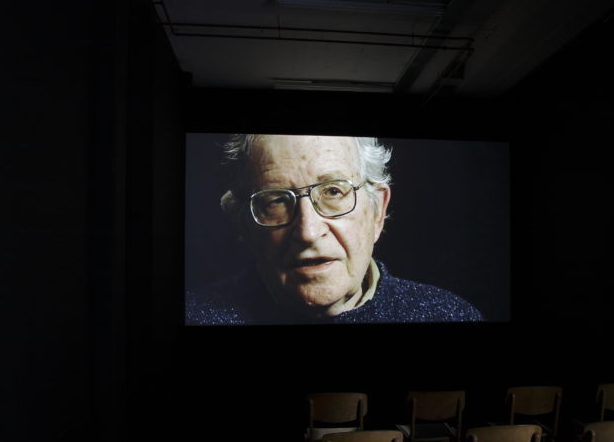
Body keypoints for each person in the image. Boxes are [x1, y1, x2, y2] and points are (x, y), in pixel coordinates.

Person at [185, 133, 483, 324]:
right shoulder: (194, 318)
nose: (308, 232)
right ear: (244, 223)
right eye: (276, 200)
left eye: (332, 192)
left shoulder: (450, 317)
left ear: (377, 210)